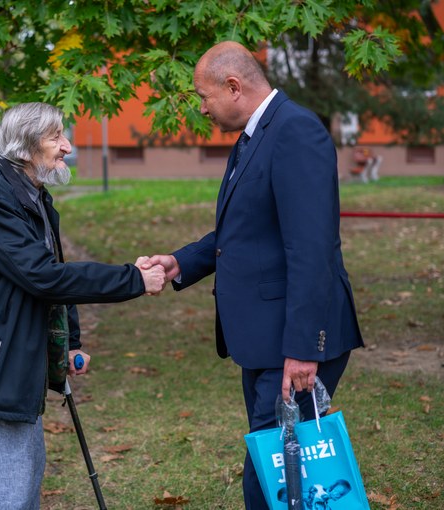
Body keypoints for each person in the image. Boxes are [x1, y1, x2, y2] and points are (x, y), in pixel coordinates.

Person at [144, 42, 364, 510]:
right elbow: (244, 230)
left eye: (204, 97)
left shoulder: (294, 131)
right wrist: (182, 261)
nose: (201, 109)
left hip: (296, 341)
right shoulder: (255, 134)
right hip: (264, 339)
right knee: (276, 469)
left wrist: (305, 349)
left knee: (272, 481)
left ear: (234, 87)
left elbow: (311, 248)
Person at [0, 102, 165, 509]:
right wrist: (133, 279)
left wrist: (69, 342)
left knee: (27, 474)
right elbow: (43, 276)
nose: (68, 146)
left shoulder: (32, 195)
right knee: (7, 489)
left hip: (13, 356)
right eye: (55, 136)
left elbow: (52, 278)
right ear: (24, 148)